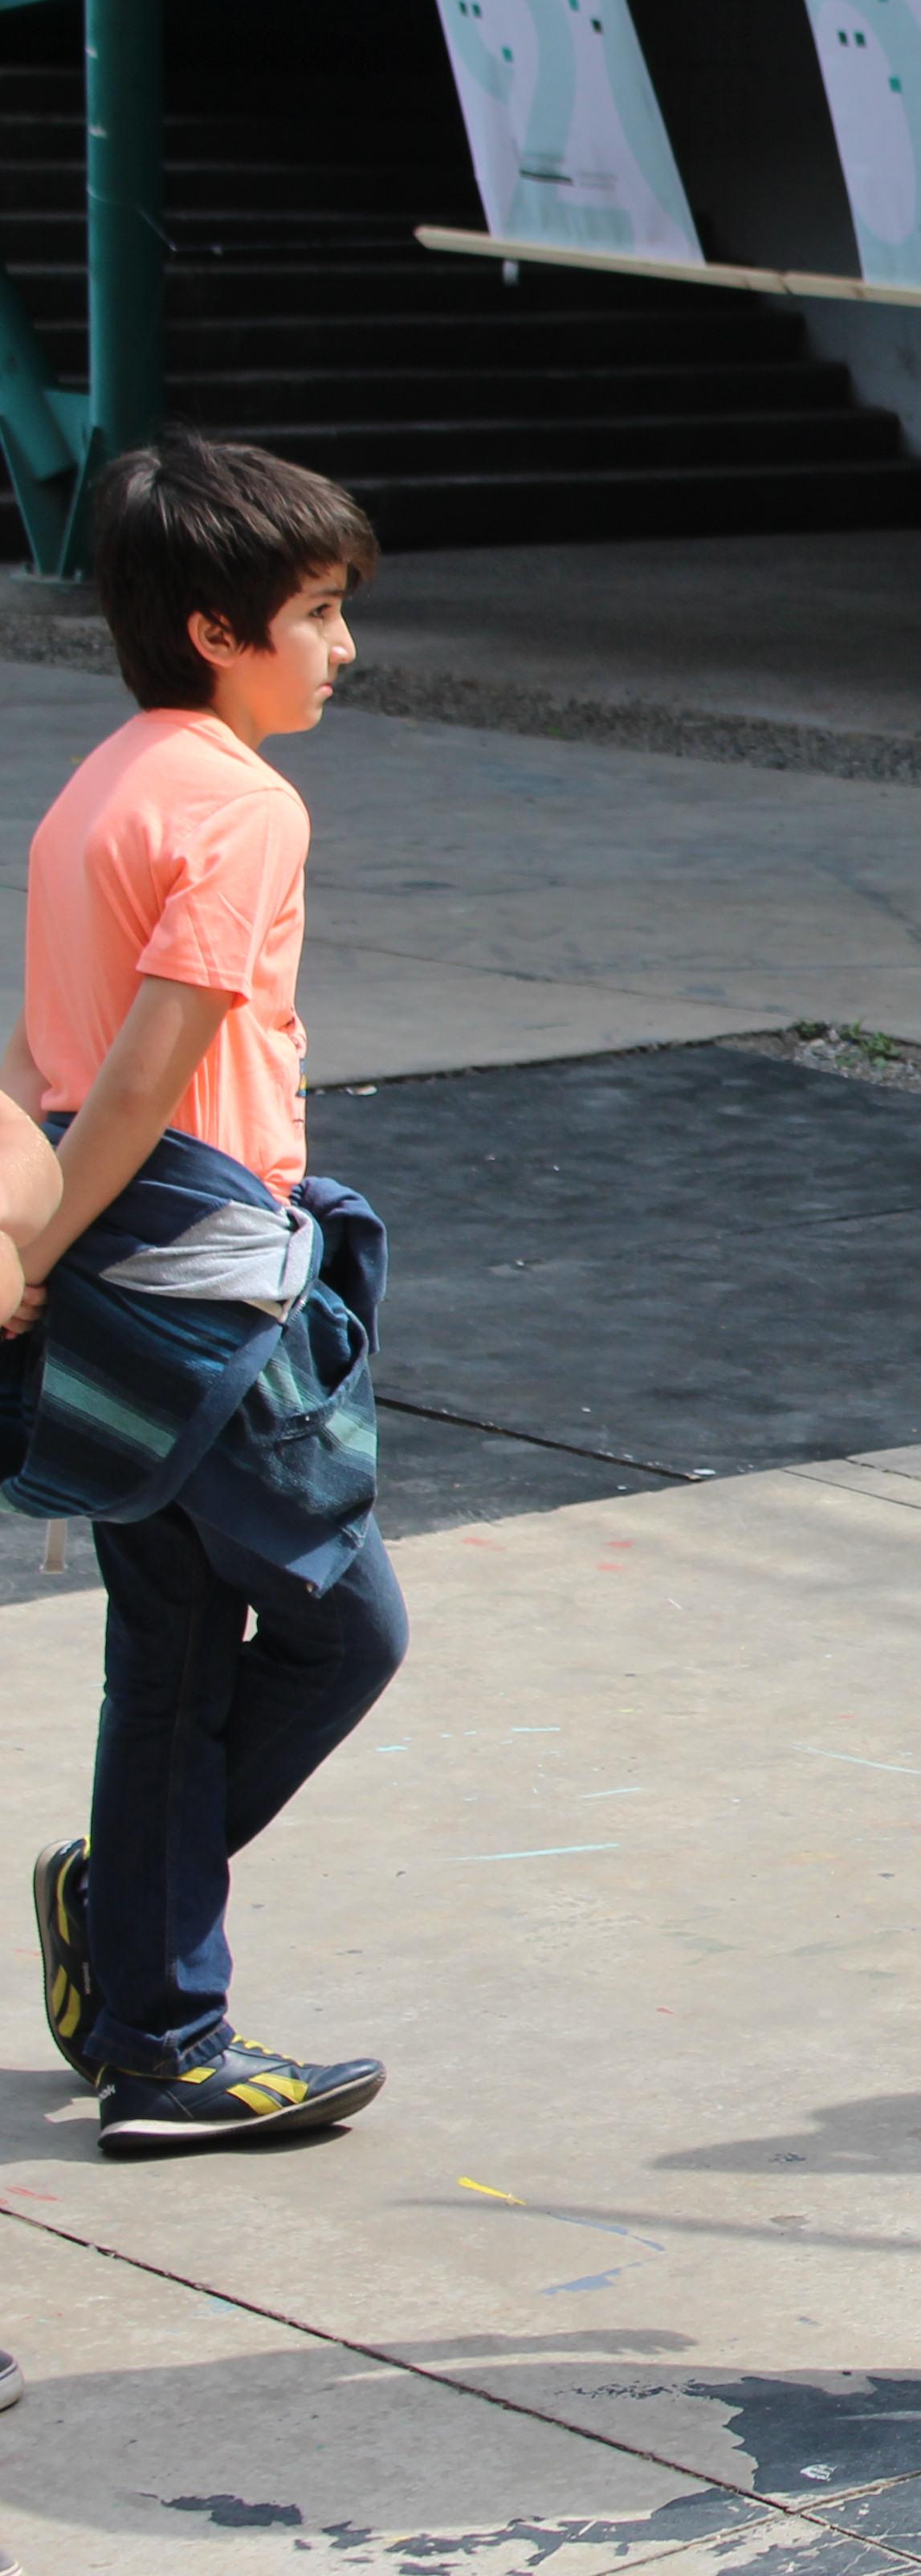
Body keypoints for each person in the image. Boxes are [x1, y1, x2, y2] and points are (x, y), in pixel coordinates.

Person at [11, 434, 401, 2154]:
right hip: (198, 1288)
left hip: (105, 1271)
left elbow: (50, 1064)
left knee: (168, 1648)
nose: (343, 649)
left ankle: (164, 2035)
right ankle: (133, 1925)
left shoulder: (104, 779)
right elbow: (149, 1074)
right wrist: (24, 1247)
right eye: (315, 615)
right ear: (214, 626)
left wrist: (33, 1244)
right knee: (346, 1624)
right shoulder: (242, 804)